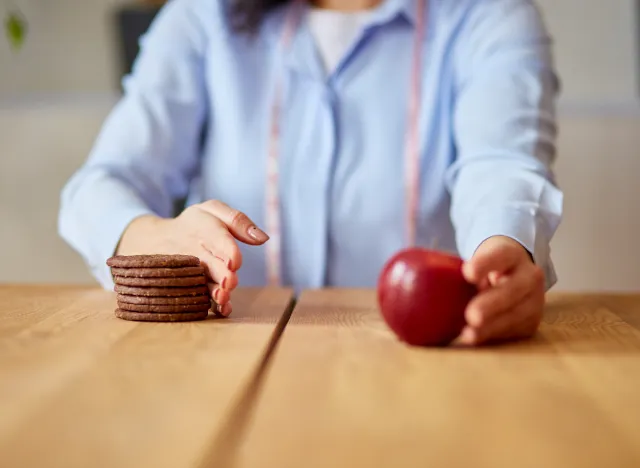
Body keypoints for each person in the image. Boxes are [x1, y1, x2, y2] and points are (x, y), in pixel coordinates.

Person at [59, 0, 563, 345]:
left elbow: (499, 163)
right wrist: (153, 236)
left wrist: (506, 247)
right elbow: (101, 184)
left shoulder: (491, 15)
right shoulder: (203, 15)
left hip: (418, 374)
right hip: (221, 368)